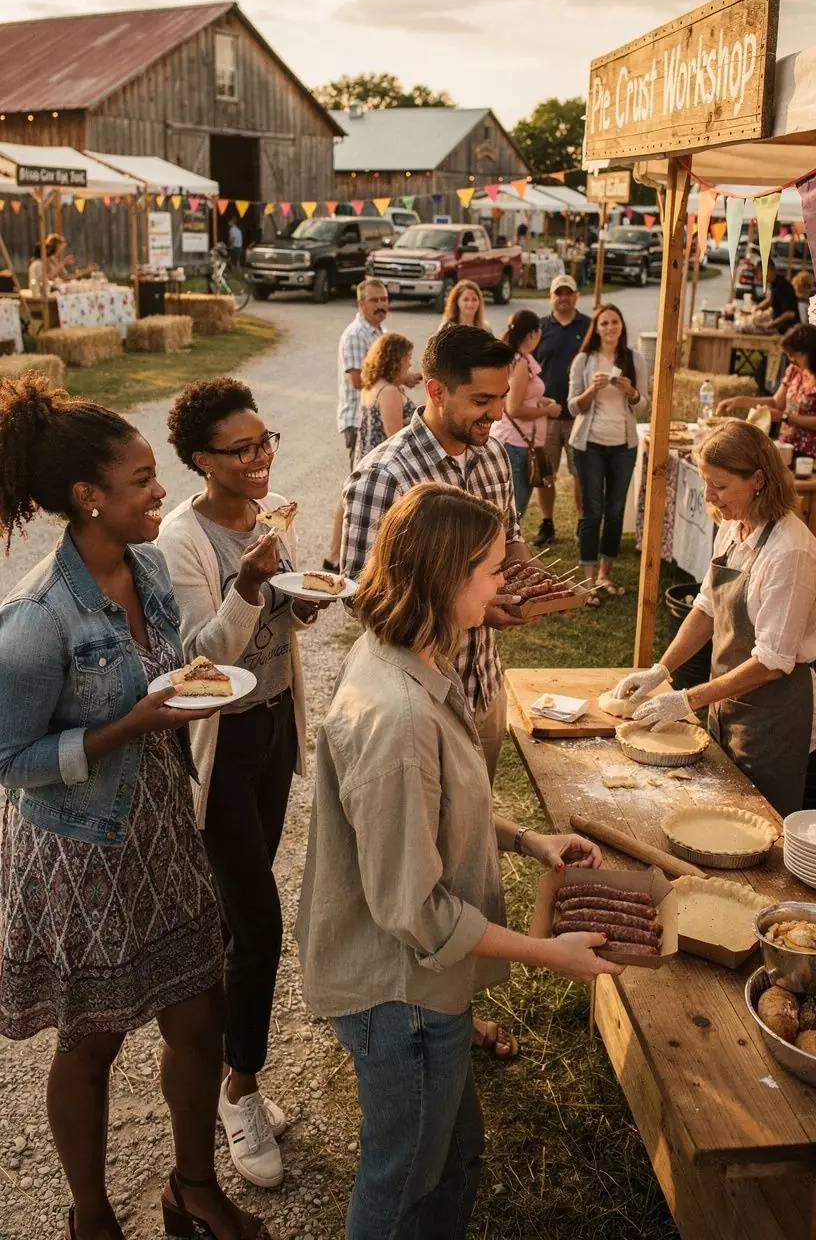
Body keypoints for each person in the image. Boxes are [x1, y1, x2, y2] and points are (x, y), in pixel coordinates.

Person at [297, 482, 618, 1240]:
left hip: (421, 992)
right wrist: (547, 954)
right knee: (402, 1182)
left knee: (453, 1153)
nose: (505, 580)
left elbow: (435, 815)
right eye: (491, 567)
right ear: (445, 577)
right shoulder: (399, 719)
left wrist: (525, 839)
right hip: (402, 998)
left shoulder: (404, 656)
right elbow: (417, 912)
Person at [0, 376, 271, 1240]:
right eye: (145, 480)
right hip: (82, 854)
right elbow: (11, 763)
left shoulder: (149, 565)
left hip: (162, 829)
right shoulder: (36, 620)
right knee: (93, 1045)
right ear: (88, 498)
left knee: (200, 1018)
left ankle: (191, 1188)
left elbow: (183, 659)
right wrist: (127, 725)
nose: (162, 493)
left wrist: (202, 665)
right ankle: (91, 1217)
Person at [160, 378, 318, 1190]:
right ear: (201, 461)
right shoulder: (178, 539)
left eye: (265, 443)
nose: (260, 459)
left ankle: (232, 1064)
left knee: (238, 917)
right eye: (242, 449)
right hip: (220, 748)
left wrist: (298, 599)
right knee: (258, 925)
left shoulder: (275, 514)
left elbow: (283, 622)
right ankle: (239, 1090)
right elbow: (198, 659)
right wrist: (252, 585)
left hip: (274, 730)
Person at [342, 323, 532, 788]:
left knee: (471, 831)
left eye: (502, 396)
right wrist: (477, 610)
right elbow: (359, 597)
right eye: (482, 401)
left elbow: (512, 541)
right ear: (435, 391)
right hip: (415, 701)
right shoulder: (384, 476)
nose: (497, 412)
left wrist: (532, 584)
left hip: (483, 684)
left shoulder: (493, 456)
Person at [614, 420, 816, 817]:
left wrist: (689, 698)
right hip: (727, 700)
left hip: (775, 714)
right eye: (707, 483)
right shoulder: (732, 527)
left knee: (759, 822)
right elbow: (706, 608)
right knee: (720, 808)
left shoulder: (791, 552)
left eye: (720, 487)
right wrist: (661, 669)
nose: (710, 497)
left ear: (758, 479)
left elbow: (772, 663)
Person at [567, 304, 649, 600]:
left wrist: (631, 392)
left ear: (621, 326)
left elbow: (643, 405)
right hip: (589, 444)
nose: (610, 327)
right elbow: (573, 406)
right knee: (593, 510)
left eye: (615, 322)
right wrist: (590, 391)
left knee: (614, 512)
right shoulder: (584, 360)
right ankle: (589, 581)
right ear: (597, 328)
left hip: (623, 446)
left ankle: (605, 573)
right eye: (604, 323)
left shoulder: (634, 359)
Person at [323, 279, 390, 572]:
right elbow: (356, 380)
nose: (381, 305)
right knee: (354, 487)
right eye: (374, 301)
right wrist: (396, 379)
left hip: (371, 417)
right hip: (357, 420)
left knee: (356, 484)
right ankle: (335, 556)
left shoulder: (379, 331)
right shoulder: (355, 334)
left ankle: (336, 554)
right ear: (360, 305)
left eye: (384, 299)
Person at [530, 276, 590, 546]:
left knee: (580, 474)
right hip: (546, 417)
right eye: (558, 293)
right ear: (550, 297)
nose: (563, 297)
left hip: (581, 415)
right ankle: (547, 522)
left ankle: (581, 524)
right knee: (546, 474)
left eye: (568, 293)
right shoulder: (540, 328)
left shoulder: (588, 327)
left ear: (577, 295)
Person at [491, 309, 561, 519]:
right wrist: (547, 410)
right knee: (515, 509)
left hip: (521, 442)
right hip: (516, 443)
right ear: (533, 334)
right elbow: (514, 408)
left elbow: (522, 396)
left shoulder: (520, 358)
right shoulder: (519, 363)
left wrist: (540, 401)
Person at [718, 323, 816, 461]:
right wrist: (740, 401)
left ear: (810, 352)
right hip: (786, 447)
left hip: (810, 454)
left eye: (795, 355)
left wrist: (786, 417)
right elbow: (776, 402)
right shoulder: (795, 371)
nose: (791, 359)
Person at [355, 333, 416, 464]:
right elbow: (396, 440)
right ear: (396, 361)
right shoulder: (389, 392)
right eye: (407, 358)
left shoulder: (371, 385)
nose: (410, 364)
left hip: (366, 461)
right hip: (383, 465)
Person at [753, 260, 800, 333]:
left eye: (758, 271)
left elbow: (790, 313)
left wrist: (771, 324)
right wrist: (755, 309)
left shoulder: (783, 286)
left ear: (768, 270)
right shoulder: (774, 283)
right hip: (779, 327)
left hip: (788, 331)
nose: (756, 275)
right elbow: (769, 300)